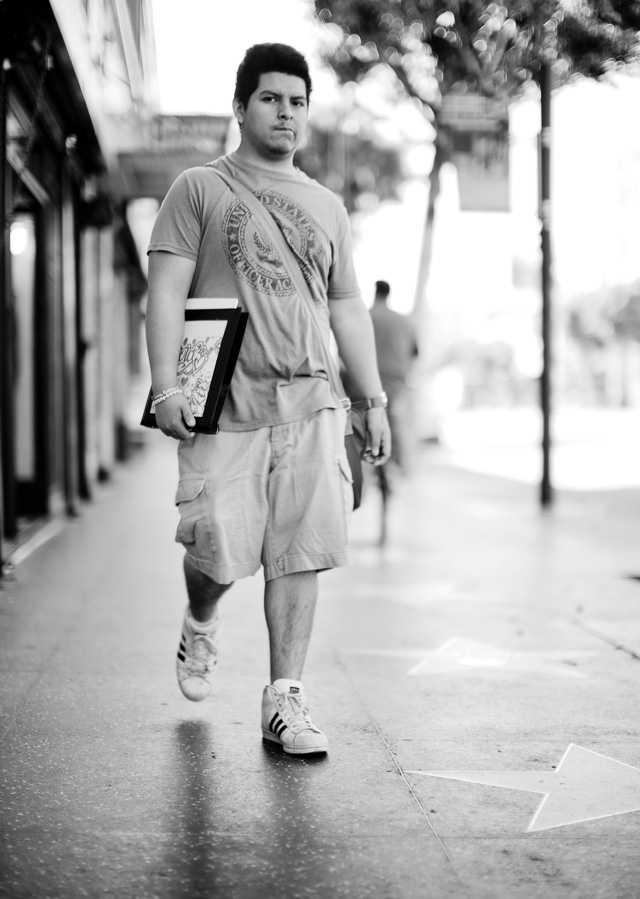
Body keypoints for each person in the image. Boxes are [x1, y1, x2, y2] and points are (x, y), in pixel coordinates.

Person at [145, 43, 390, 756]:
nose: (286, 113)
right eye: (271, 99)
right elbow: (163, 293)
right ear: (241, 106)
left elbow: (347, 309)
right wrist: (165, 385)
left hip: (313, 402)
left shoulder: (326, 205)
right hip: (226, 404)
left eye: (297, 101)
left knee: (299, 552)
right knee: (216, 552)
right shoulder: (198, 187)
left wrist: (370, 399)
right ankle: (200, 620)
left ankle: (284, 699)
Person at [369, 281, 419, 474]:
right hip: (395, 380)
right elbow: (415, 353)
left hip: (367, 381)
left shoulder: (365, 316)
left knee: (358, 422)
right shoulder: (403, 321)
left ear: (375, 293)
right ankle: (402, 466)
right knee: (396, 421)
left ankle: (363, 470)